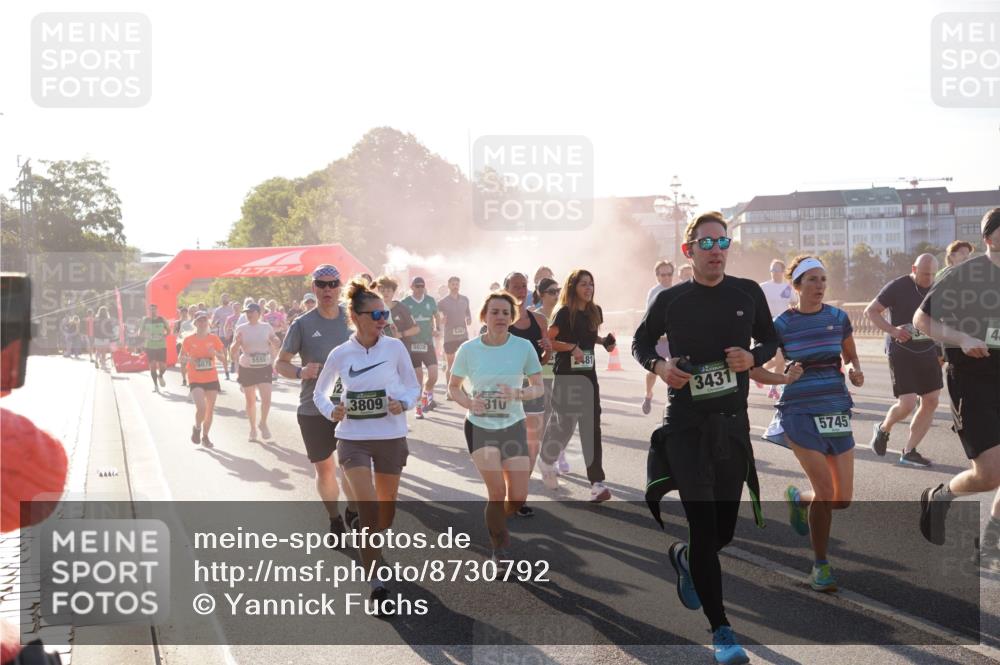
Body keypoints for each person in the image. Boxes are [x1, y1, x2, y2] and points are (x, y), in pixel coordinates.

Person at [633, 211, 777, 665]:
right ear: (688, 250)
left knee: (722, 531)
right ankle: (722, 631)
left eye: (723, 242)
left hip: (732, 425)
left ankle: (685, 558)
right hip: (687, 426)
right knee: (702, 523)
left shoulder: (747, 292)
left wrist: (750, 356)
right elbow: (640, 342)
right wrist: (659, 367)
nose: (716, 250)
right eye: (707, 243)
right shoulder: (672, 300)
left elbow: (771, 340)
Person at [750, 256, 864, 592]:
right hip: (799, 412)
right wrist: (783, 378)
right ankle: (820, 566)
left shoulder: (838, 318)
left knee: (842, 499)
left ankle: (800, 498)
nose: (819, 286)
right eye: (811, 280)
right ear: (796, 286)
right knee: (827, 492)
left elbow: (850, 355)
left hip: (835, 409)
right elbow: (757, 369)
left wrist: (855, 371)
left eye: (823, 279)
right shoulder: (781, 324)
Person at [313, 279, 420, 612]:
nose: (382, 319)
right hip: (353, 438)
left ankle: (368, 530)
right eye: (375, 313)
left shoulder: (395, 348)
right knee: (369, 504)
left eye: (384, 313)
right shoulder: (341, 353)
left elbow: (413, 387)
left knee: (385, 513)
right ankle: (375, 580)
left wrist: (402, 402)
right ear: (356, 316)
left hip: (390, 436)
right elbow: (321, 392)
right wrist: (333, 409)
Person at [914, 208, 1000, 555]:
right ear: (990, 238)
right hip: (972, 380)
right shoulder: (966, 274)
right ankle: (941, 497)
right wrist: (962, 338)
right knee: (991, 473)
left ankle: (992, 542)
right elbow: (921, 319)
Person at [449, 290, 543, 559]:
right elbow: (454, 387)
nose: (500, 317)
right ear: (484, 316)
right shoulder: (468, 349)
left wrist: (518, 394)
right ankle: (499, 549)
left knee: (517, 498)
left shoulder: (523, 347)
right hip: (480, 427)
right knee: (497, 492)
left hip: (513, 425)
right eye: (495, 312)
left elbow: (538, 387)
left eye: (505, 313)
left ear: (512, 317)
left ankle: (496, 521)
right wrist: (469, 403)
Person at [275, 265, 357, 541]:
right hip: (314, 408)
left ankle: (354, 510)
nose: (327, 290)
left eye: (332, 284)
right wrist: (301, 372)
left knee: (352, 464)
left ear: (340, 287)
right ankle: (334, 518)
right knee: (325, 468)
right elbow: (280, 364)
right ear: (314, 288)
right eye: (321, 285)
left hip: (351, 406)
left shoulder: (354, 317)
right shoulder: (302, 324)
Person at [536, 269, 615, 502]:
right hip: (567, 377)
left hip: (589, 378)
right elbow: (549, 341)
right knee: (565, 425)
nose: (588, 288)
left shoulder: (594, 311)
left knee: (592, 427)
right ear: (573, 287)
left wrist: (604, 343)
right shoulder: (563, 312)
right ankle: (547, 459)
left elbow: (588, 337)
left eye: (591, 284)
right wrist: (571, 348)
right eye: (583, 284)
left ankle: (597, 483)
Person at [864, 254, 942, 467]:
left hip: (927, 350)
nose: (929, 278)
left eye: (933, 274)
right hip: (900, 351)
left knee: (932, 400)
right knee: (907, 403)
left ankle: (909, 451)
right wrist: (892, 330)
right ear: (914, 269)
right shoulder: (897, 286)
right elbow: (871, 311)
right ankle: (883, 428)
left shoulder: (937, 288)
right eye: (925, 274)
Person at [503, 272, 553, 517]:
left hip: (533, 388)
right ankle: (509, 490)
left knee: (532, 445)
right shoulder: (501, 320)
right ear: (506, 290)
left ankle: (518, 496)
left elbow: (543, 361)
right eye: (516, 286)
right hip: (508, 392)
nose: (521, 290)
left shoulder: (540, 320)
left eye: (524, 286)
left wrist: (548, 350)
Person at [231, 303, 281, 442]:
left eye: (252, 311)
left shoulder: (266, 327)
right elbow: (233, 351)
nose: (249, 314)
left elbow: (274, 339)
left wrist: (276, 340)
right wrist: (237, 343)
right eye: (247, 312)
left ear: (259, 313)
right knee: (250, 401)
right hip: (247, 367)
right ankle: (252, 428)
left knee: (267, 399)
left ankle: (262, 423)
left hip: (264, 366)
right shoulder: (241, 328)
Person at [532, 276, 566, 473]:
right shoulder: (535, 318)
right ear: (541, 295)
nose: (556, 295)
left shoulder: (562, 315)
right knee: (546, 415)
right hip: (542, 372)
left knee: (561, 415)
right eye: (552, 292)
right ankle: (547, 453)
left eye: (557, 290)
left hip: (560, 371)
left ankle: (556, 452)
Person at [179, 311, 226, 448]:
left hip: (211, 378)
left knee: (209, 410)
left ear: (208, 323)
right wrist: (189, 359)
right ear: (195, 323)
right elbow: (180, 358)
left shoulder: (214, 339)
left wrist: (215, 353)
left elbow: (224, 358)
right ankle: (197, 427)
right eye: (199, 321)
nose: (202, 323)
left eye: (205, 320)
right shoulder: (188, 340)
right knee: (202, 407)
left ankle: (205, 436)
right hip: (195, 378)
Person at [758, 259, 797, 400]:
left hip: (785, 326)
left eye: (777, 269)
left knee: (781, 360)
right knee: (779, 357)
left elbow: (794, 303)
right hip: (769, 326)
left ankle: (769, 384)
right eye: (772, 269)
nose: (774, 272)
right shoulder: (763, 287)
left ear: (782, 271)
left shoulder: (788, 287)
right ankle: (762, 376)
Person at [401, 277, 441, 418]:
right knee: (418, 379)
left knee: (434, 376)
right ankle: (419, 408)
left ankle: (426, 397)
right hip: (412, 346)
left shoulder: (430, 300)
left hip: (427, 343)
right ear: (411, 287)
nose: (420, 288)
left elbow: (437, 315)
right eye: (417, 286)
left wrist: (438, 328)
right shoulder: (405, 303)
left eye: (422, 286)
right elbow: (399, 319)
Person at [642, 260, 675, 415]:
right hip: (659, 339)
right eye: (663, 275)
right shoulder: (654, 292)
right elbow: (649, 316)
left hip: (675, 338)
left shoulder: (678, 289)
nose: (667, 278)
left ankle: (673, 402)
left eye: (669, 274)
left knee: (676, 368)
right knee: (653, 372)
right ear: (657, 276)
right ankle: (648, 394)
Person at [437, 277, 472, 401]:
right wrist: (441, 320)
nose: (455, 286)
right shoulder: (442, 302)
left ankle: (460, 388)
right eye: (453, 284)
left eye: (457, 284)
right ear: (448, 285)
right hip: (450, 337)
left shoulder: (465, 299)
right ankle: (449, 390)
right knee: (451, 364)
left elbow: (469, 315)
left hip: (463, 336)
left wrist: (468, 319)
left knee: (463, 364)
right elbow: (438, 318)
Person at [139, 304, 170, 392]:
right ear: (148, 311)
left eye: (154, 309)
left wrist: (164, 336)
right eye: (151, 310)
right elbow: (139, 333)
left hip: (161, 345)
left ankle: (160, 376)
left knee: (163, 366)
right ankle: (156, 385)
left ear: (157, 310)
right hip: (150, 346)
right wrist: (146, 335)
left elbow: (168, 331)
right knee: (152, 366)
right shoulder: (145, 320)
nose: (153, 311)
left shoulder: (162, 319)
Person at [211, 295, 235, 381]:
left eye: (227, 298)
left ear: (229, 299)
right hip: (222, 334)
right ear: (221, 300)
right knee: (224, 354)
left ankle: (232, 362)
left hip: (233, 333)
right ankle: (227, 373)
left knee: (233, 351)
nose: (225, 299)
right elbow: (212, 323)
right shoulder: (218, 310)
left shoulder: (232, 309)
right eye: (223, 298)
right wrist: (215, 323)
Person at [92, 306, 116, 370]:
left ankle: (96, 360)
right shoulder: (108, 320)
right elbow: (110, 329)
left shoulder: (96, 320)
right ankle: (103, 365)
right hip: (105, 338)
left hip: (97, 337)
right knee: (103, 352)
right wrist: (112, 336)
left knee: (98, 350)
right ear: (106, 312)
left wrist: (93, 337)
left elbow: (94, 329)